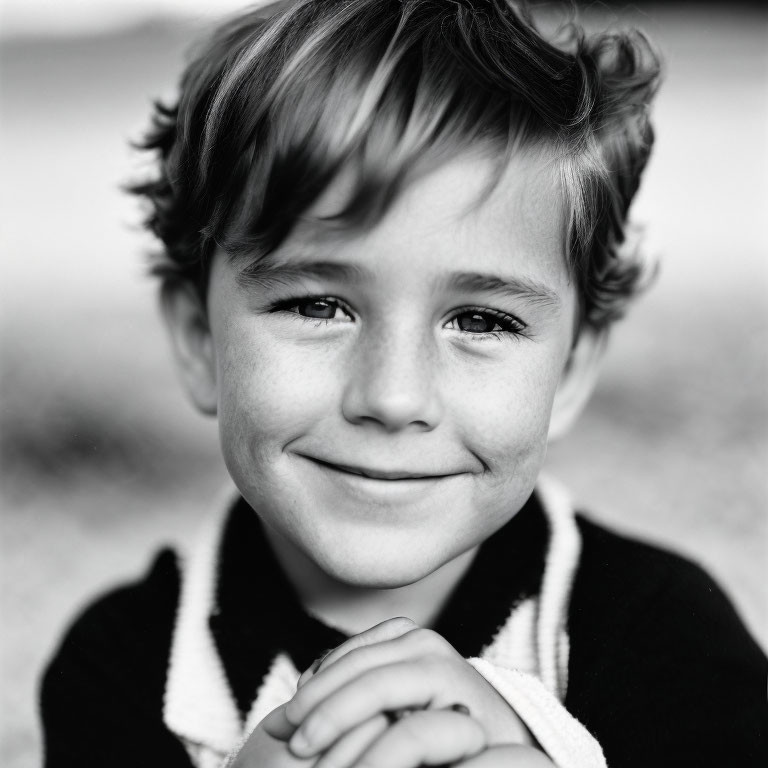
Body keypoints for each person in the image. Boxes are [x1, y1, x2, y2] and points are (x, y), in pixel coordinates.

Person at [40, 1, 767, 766]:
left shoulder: (663, 638)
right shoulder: (125, 666)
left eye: (482, 322)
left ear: (573, 368)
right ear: (200, 341)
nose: (392, 398)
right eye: (317, 305)